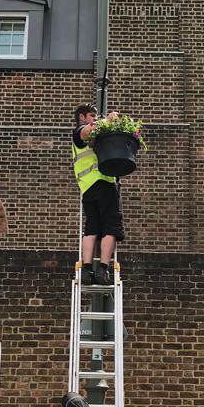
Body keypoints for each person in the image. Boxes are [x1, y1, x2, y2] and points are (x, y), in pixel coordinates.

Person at [72, 103, 125, 286]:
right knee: (111, 226)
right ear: (82, 117)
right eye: (91, 116)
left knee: (92, 227)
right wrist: (108, 119)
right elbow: (89, 131)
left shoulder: (91, 139)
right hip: (102, 182)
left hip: (88, 188)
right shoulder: (80, 132)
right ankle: (102, 269)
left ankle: (86, 269)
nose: (95, 119)